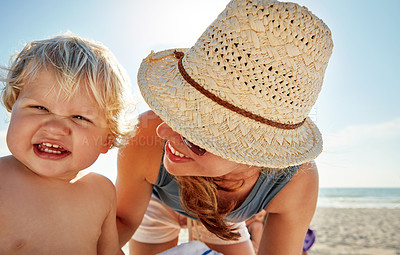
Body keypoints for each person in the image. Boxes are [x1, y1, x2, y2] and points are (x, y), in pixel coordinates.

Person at [116, 0, 333, 254]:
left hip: (226, 219)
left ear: (259, 155)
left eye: (196, 137)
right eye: (176, 114)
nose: (163, 132)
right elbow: (121, 224)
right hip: (157, 201)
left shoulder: (294, 181)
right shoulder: (147, 136)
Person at [0, 33, 135, 254]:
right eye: (40, 108)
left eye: (80, 118)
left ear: (106, 140)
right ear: (12, 107)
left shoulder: (102, 191)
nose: (55, 128)